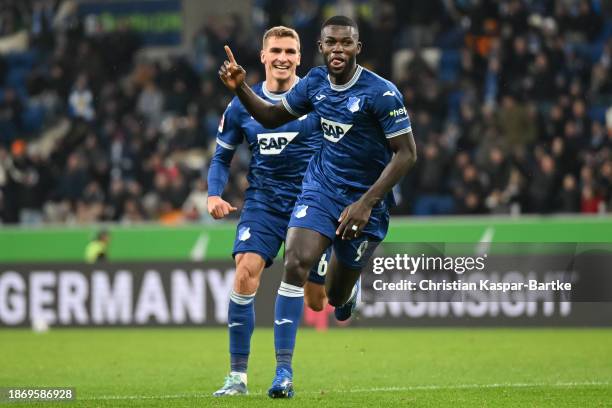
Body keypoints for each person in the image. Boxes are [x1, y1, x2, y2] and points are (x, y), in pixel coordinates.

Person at [218, 15, 417, 398]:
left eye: (346, 43)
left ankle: (348, 293)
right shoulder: (314, 83)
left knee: (334, 297)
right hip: (321, 188)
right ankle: (284, 373)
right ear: (321, 47)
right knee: (295, 262)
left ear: (357, 48)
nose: (338, 49)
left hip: (366, 201)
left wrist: (366, 202)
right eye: (331, 43)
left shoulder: (381, 94)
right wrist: (241, 88)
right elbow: (273, 116)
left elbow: (407, 154)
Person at [208, 26, 330, 397]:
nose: (283, 57)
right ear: (262, 56)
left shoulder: (317, 96)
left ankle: (344, 282)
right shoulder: (240, 105)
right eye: (275, 50)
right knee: (244, 272)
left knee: (318, 300)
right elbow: (221, 157)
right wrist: (214, 194)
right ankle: (243, 378)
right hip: (263, 201)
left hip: (311, 202)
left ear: (300, 57)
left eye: (290, 51)